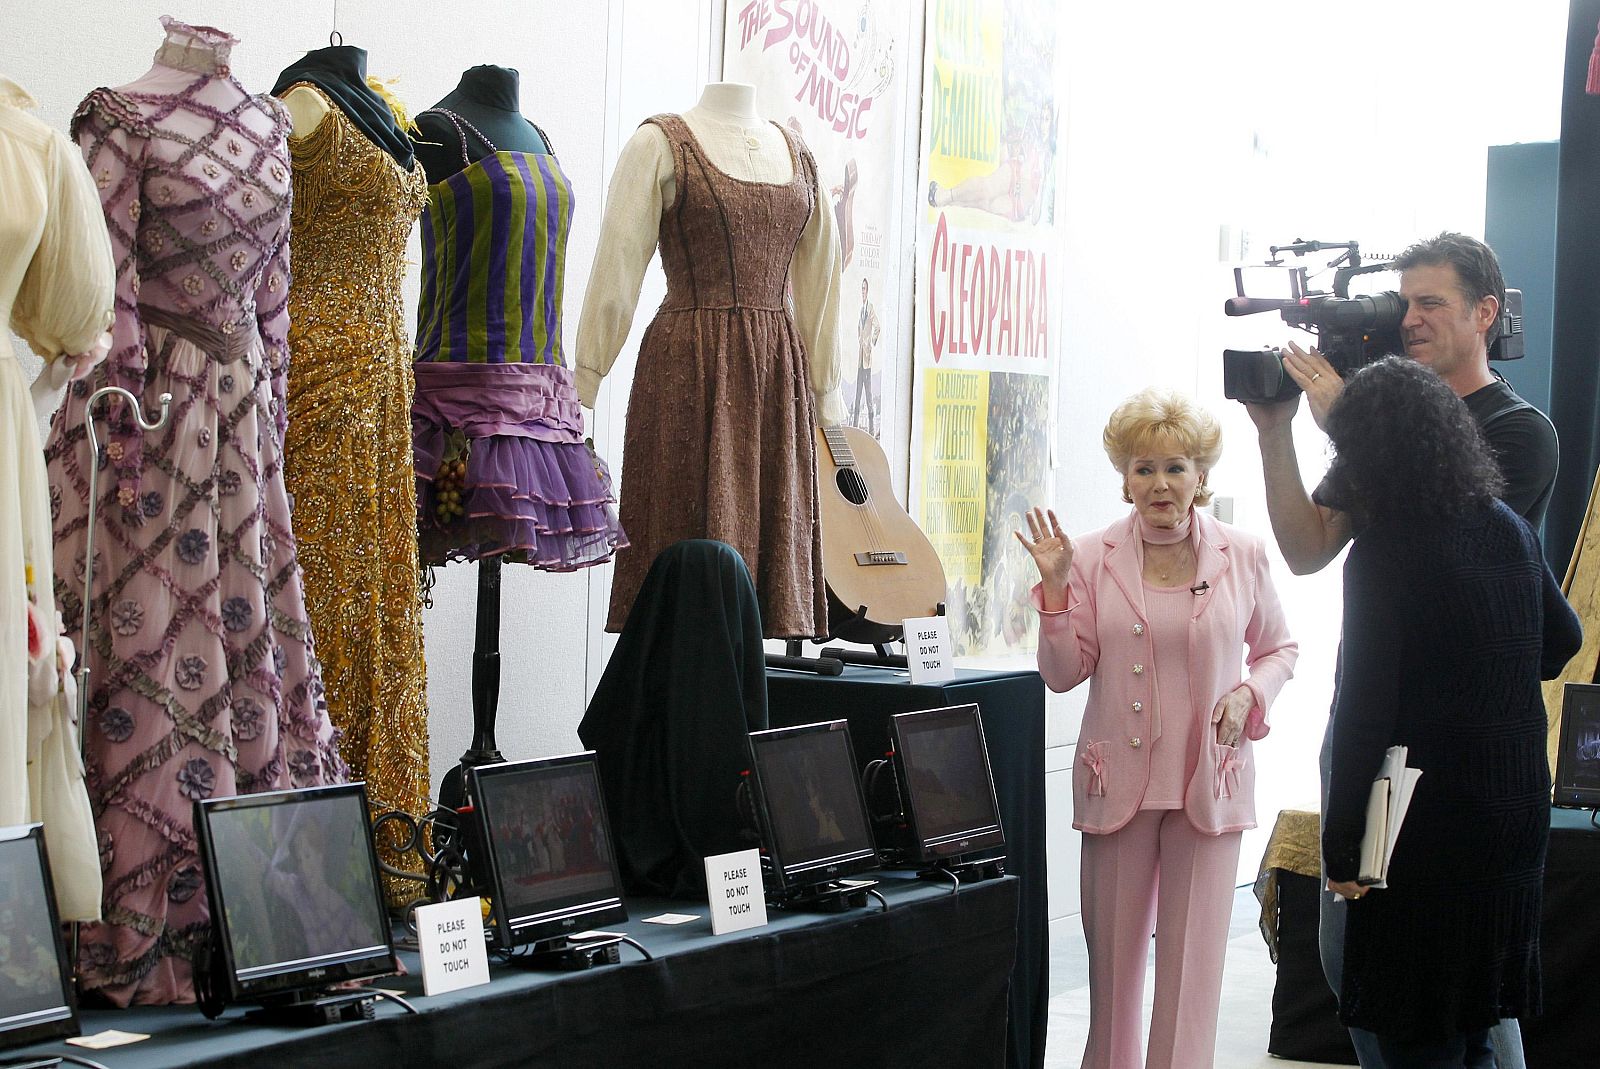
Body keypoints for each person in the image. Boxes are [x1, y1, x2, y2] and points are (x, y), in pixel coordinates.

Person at [1247, 232, 1557, 1069]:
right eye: (1403, 302)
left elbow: (1441, 552)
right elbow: (1310, 547)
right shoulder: (1392, 445)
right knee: (1385, 985)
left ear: (1486, 313)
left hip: (1438, 773)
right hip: (1435, 771)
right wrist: (1276, 429)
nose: (1409, 320)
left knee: (1426, 1008)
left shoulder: (1520, 435)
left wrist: (1355, 421)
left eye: (1430, 304)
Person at [1017, 388, 1297, 1069]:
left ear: (1201, 475)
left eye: (1176, 467)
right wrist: (1054, 594)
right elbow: (1062, 672)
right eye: (1144, 468)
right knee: (1111, 982)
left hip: (1209, 788)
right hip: (1119, 792)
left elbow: (1280, 649)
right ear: (1124, 478)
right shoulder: (1086, 555)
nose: (1160, 484)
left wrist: (1249, 694)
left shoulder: (1244, 552)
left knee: (1189, 987)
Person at [1317, 357, 1580, 1067]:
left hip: (1425, 824)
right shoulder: (1506, 525)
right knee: (1477, 1022)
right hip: (1512, 811)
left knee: (1416, 1029)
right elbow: (1563, 640)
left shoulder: (1381, 552)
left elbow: (1364, 713)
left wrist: (1340, 847)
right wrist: (1486, 671)